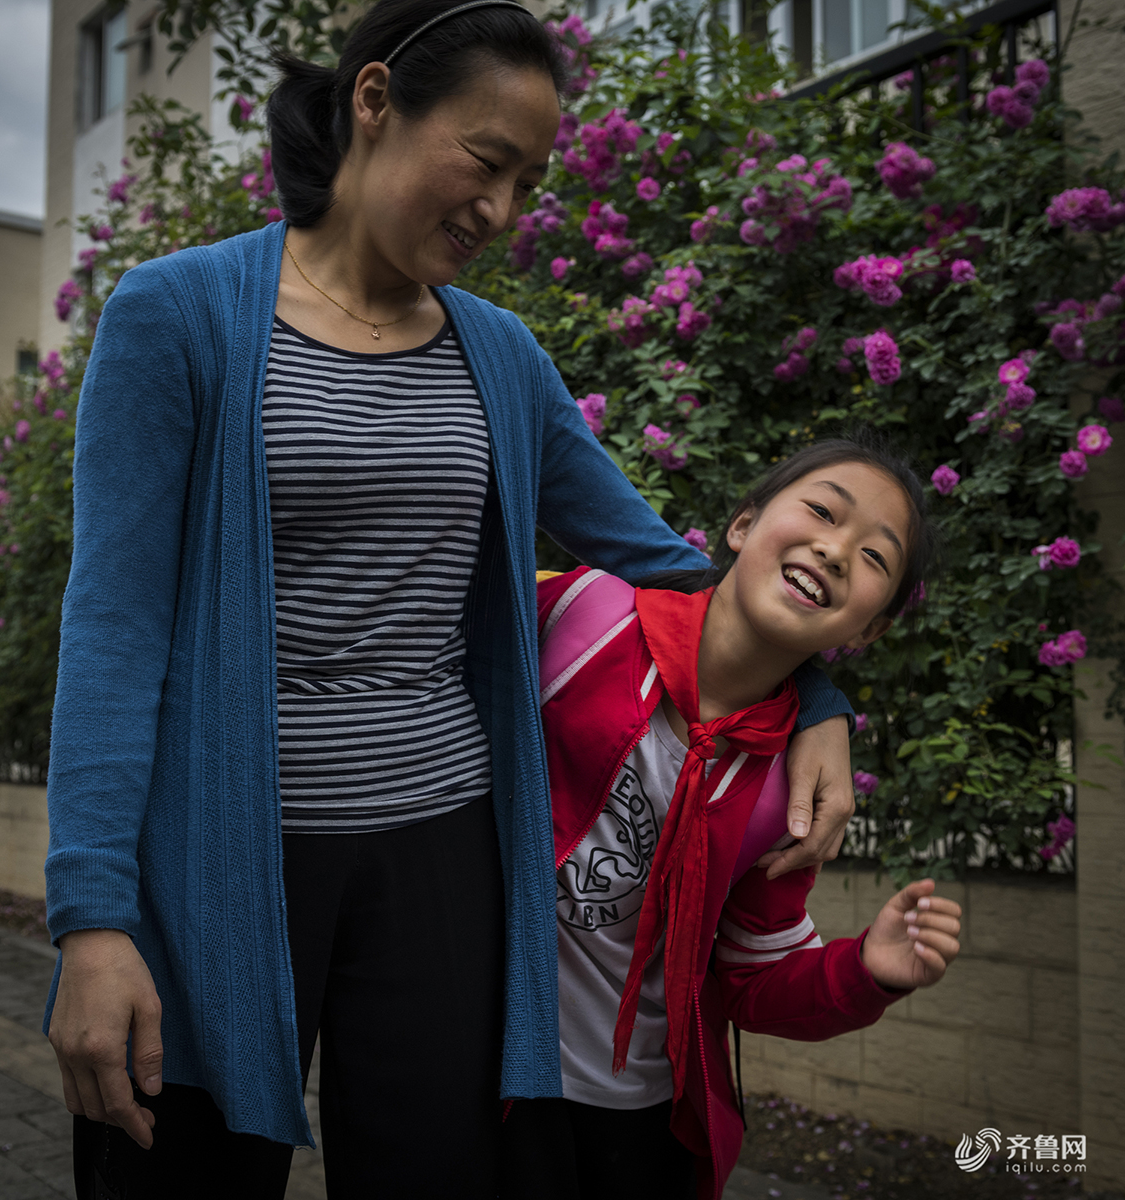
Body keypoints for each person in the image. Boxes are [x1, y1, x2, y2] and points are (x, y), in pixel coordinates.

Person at [42, 3, 858, 1197]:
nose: (502, 212)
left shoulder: (504, 359)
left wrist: (824, 693)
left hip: (443, 850)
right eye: (485, 162)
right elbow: (114, 629)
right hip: (215, 854)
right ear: (375, 102)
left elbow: (670, 562)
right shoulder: (178, 316)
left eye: (528, 183)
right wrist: (92, 922)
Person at [502, 437, 962, 1200]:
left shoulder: (798, 791)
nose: (835, 548)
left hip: (642, 1120)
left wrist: (865, 973)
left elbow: (756, 979)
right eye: (820, 511)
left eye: (875, 558)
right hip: (494, 1074)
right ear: (742, 525)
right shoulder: (586, 615)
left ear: (869, 629)